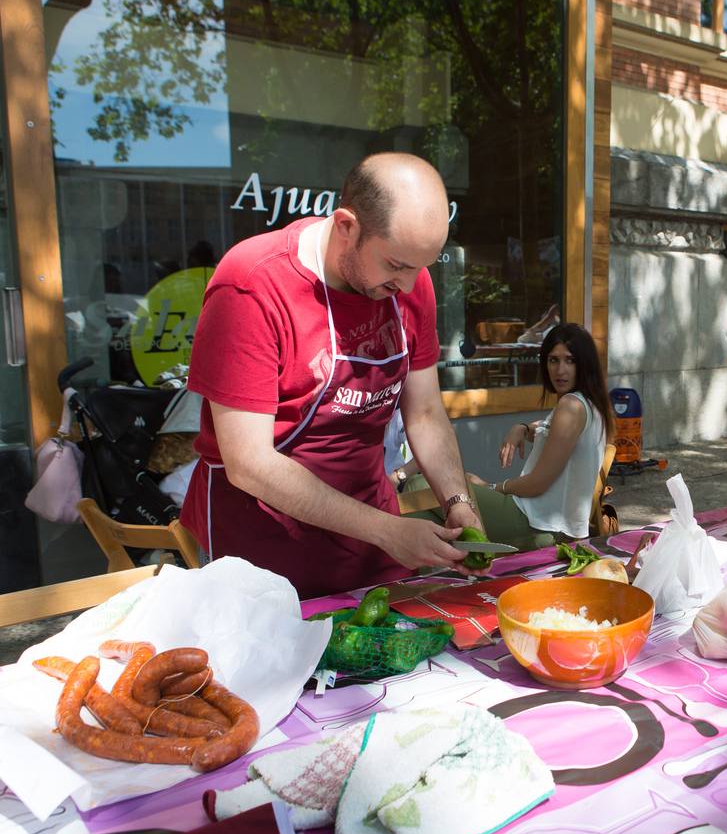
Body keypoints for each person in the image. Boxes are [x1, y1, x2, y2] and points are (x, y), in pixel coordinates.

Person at [181, 152, 483, 598]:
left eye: (422, 266)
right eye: (396, 265)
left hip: (371, 538)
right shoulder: (252, 285)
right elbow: (249, 464)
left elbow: (423, 412)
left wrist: (458, 502)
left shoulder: (411, 283)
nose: (408, 283)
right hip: (260, 545)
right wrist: (386, 530)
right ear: (346, 226)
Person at [408, 323, 613, 550]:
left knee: (420, 487)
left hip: (538, 526)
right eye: (553, 360)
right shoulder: (590, 404)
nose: (560, 370)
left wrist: (492, 487)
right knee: (446, 496)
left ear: (584, 364)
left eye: (570, 360)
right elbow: (547, 431)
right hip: (545, 522)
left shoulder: (571, 406)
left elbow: (538, 484)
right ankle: (458, 570)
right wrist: (522, 428)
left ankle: (440, 576)